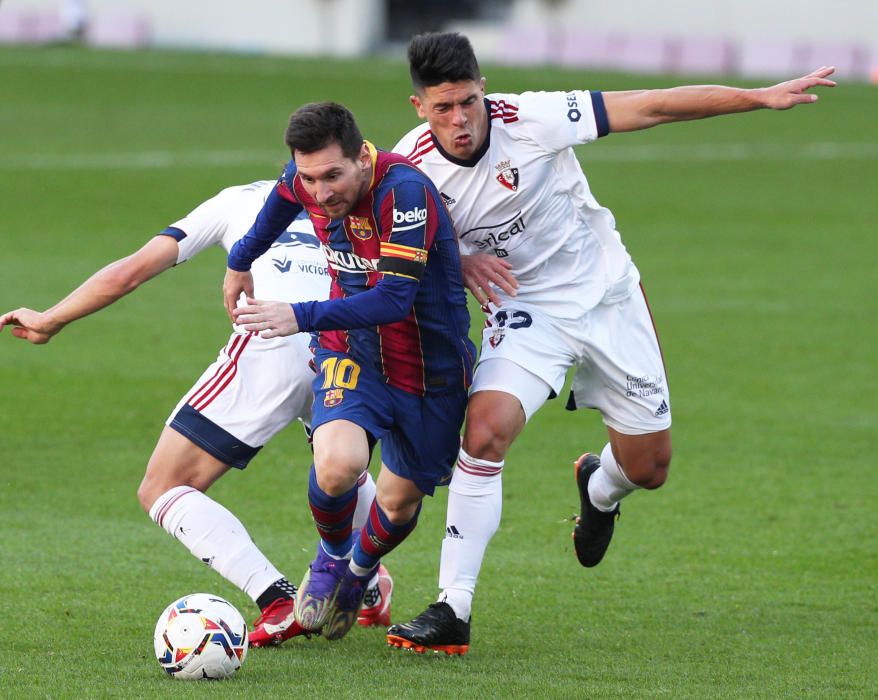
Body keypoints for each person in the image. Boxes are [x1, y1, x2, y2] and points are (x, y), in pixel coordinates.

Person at [386, 31, 836, 655]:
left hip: (607, 297)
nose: (460, 120)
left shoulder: (536, 118)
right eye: (443, 108)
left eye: (468, 101)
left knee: (649, 469)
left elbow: (649, 105)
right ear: (419, 108)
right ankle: (451, 609)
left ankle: (599, 489)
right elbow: (381, 239)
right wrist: (459, 262)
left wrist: (756, 97)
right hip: (527, 311)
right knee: (484, 431)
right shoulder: (407, 171)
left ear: (483, 88)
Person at [0, 180, 394, 646]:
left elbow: (132, 271)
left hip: (274, 348)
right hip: (357, 349)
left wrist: (52, 318)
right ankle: (369, 582)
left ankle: (278, 599)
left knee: (163, 486)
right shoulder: (375, 192)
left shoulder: (242, 200)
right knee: (338, 461)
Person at [224, 101, 476, 642]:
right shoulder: (307, 176)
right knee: (337, 466)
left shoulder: (404, 193)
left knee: (398, 501)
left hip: (428, 370)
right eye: (311, 178)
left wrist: (299, 315)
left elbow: (394, 298)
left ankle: (361, 573)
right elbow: (278, 201)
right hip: (351, 351)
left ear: (362, 157)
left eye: (332, 176)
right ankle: (333, 559)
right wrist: (239, 260)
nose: (320, 192)